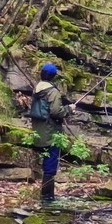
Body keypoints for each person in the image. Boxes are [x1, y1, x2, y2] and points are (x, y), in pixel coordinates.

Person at [30, 62, 73, 203]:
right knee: (50, 166)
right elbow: (56, 112)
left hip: (39, 132)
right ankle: (47, 197)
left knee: (46, 163)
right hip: (51, 134)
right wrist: (69, 109)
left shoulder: (37, 89)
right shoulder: (52, 92)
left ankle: (45, 196)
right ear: (53, 76)